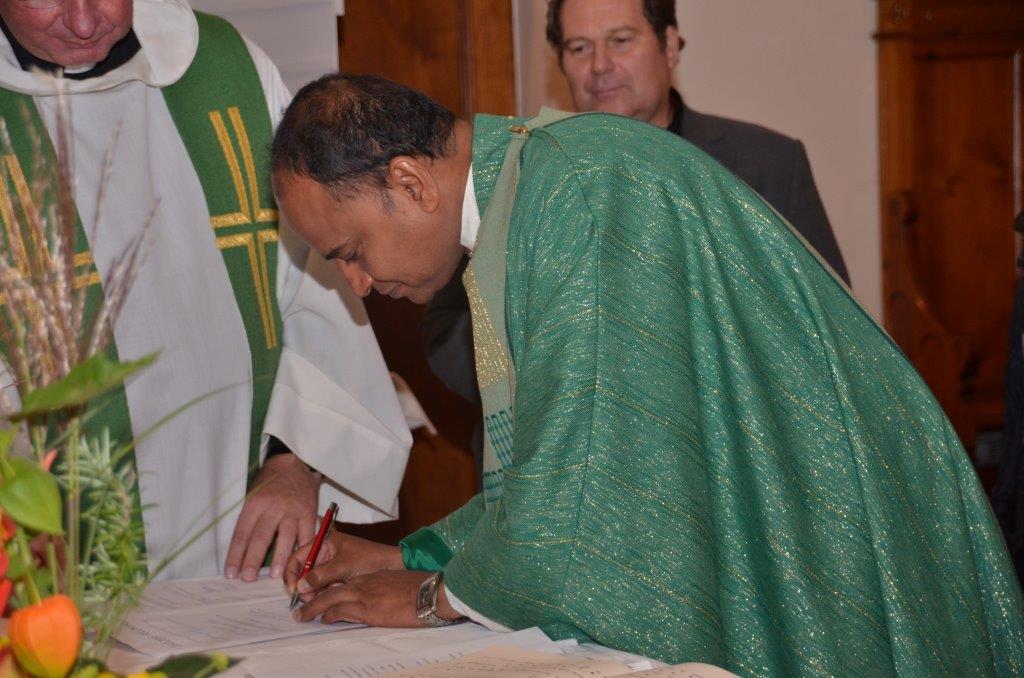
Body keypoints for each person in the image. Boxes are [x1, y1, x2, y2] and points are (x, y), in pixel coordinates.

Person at [273, 73, 1024, 675]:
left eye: (350, 252)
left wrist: (432, 599)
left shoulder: (576, 195)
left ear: (410, 183)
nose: (358, 284)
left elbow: (585, 486)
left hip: (830, 508)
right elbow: (552, 468)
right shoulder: (538, 188)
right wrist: (413, 555)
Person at [0, 0, 410, 581]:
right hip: (54, 561)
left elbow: (320, 286)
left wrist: (295, 459)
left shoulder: (227, 70)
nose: (85, 21)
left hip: (252, 539)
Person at [421, 0, 849, 436]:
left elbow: (832, 333)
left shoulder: (767, 165)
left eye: (621, 41)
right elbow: (446, 327)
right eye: (579, 48)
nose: (600, 65)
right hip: (560, 448)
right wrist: (539, 377)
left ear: (670, 46)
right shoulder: (516, 173)